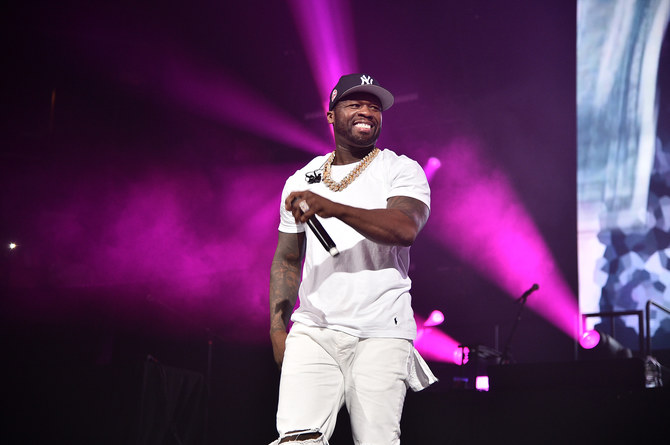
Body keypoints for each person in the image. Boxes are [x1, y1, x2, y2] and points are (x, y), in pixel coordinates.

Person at [268, 73, 437, 445]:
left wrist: (333, 207)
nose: (367, 112)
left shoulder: (400, 169)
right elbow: (286, 258)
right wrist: (277, 329)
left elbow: (404, 228)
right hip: (314, 329)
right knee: (296, 440)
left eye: (374, 107)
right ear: (331, 115)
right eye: (355, 104)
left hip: (382, 330)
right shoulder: (301, 179)